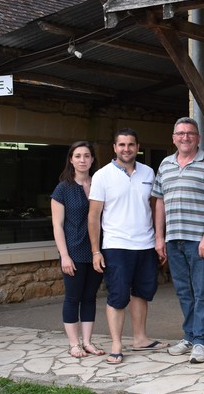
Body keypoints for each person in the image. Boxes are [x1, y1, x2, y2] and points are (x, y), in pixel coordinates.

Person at [153, 117, 204, 364]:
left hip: (199, 241)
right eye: (180, 133)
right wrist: (160, 237)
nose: (185, 137)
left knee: (202, 292)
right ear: (173, 138)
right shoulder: (165, 164)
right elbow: (159, 201)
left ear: (197, 137)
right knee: (184, 292)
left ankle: (201, 341)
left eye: (190, 133)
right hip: (174, 240)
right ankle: (189, 336)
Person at [88, 128, 164, 365]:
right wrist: (95, 251)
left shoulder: (148, 172)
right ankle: (116, 344)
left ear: (138, 147)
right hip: (116, 245)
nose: (126, 149)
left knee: (142, 293)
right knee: (118, 295)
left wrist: (159, 239)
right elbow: (93, 216)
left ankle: (140, 338)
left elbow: (154, 208)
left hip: (145, 243)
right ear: (114, 147)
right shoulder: (102, 176)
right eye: (122, 145)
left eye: (131, 144)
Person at [51, 141, 105, 359]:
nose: (82, 160)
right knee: (73, 298)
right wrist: (64, 255)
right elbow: (57, 225)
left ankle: (88, 342)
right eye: (78, 156)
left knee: (90, 297)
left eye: (87, 156)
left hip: (96, 250)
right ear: (71, 160)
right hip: (72, 251)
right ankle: (74, 344)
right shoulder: (63, 188)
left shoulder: (99, 184)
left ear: (92, 159)